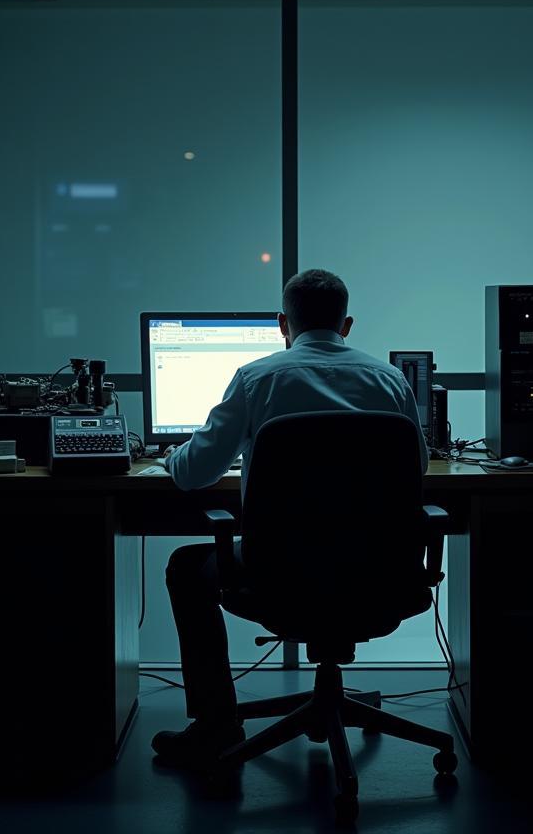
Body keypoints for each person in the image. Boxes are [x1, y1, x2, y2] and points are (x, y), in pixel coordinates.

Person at [151, 268, 428, 769]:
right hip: (379, 571)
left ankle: (216, 724)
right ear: (347, 326)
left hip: (277, 571)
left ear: (283, 323)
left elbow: (194, 475)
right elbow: (418, 470)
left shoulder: (258, 378)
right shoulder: (389, 381)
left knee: (184, 567)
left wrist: (172, 456)